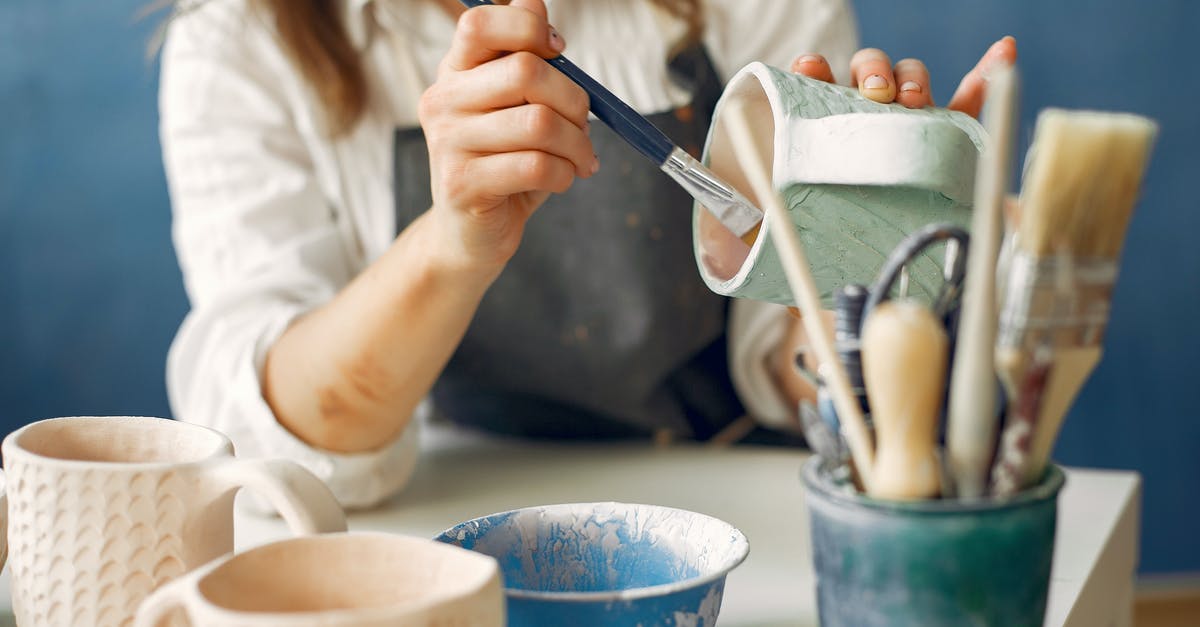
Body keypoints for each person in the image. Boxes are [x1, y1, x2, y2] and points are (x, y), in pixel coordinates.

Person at [159, 0, 1015, 508]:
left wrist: (873, 268)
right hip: (444, 530)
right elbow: (261, 431)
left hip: (738, 508)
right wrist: (450, 243)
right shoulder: (239, 39)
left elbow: (788, 356)